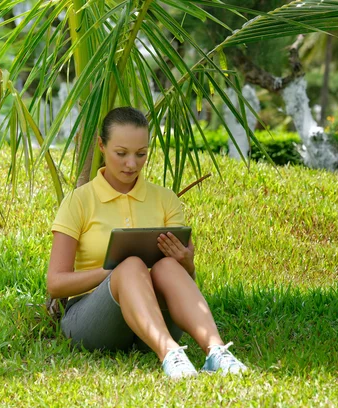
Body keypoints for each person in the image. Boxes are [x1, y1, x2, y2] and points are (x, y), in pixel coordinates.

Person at [46, 107, 247, 379]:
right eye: (122, 153)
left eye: (141, 154)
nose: (132, 163)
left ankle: (216, 352)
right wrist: (111, 274)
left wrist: (187, 264)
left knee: (167, 267)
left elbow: (183, 280)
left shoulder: (165, 200)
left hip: (155, 320)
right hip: (93, 321)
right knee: (130, 266)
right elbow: (55, 284)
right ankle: (170, 354)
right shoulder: (78, 202)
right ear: (102, 146)